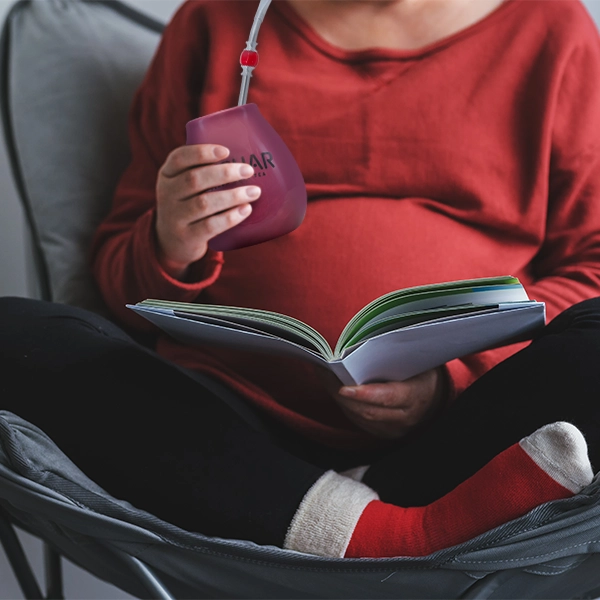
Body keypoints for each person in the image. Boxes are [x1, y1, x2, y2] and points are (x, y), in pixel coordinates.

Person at [1, 0, 600, 559]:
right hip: (228, 424)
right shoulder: (215, 22)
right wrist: (169, 242)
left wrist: (452, 380)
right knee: (16, 335)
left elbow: (592, 266)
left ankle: (351, 520)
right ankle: (381, 536)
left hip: (456, 432)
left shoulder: (553, 30)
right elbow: (119, 290)